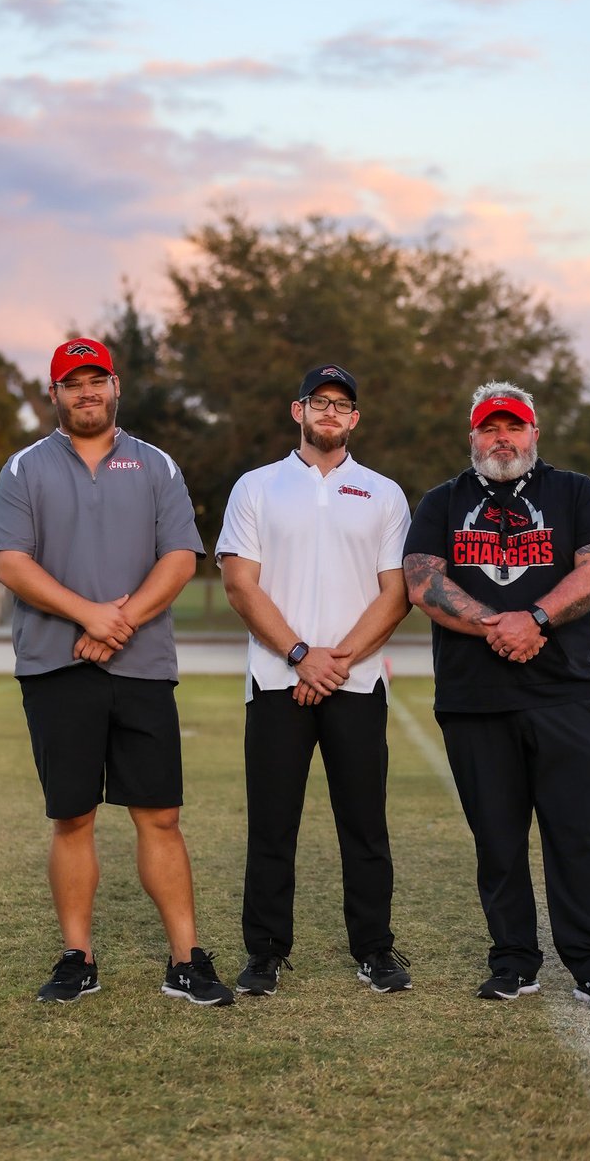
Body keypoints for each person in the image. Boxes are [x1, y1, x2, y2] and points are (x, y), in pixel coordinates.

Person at [0, 337, 233, 1007]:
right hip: (55, 667)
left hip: (143, 667)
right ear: (54, 393)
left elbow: (180, 556)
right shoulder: (24, 468)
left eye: (96, 381)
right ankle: (77, 957)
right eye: (72, 383)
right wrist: (90, 615)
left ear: (115, 385)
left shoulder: (156, 465)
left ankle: (186, 959)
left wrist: (118, 623)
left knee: (161, 816)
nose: (86, 392)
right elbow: (10, 562)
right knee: (73, 817)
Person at [403, 380, 590, 1012]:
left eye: (513, 427)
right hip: (474, 700)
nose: (501, 438)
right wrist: (496, 626)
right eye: (488, 428)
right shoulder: (442, 501)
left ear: (535, 433)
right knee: (497, 840)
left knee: (575, 835)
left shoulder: (575, 491)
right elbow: (423, 583)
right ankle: (513, 961)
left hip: (564, 695)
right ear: (472, 436)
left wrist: (532, 618)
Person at [216, 364, 413, 996]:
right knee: (273, 824)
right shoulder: (257, 486)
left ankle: (375, 950)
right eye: (319, 402)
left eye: (343, 405)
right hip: (277, 680)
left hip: (354, 684)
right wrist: (301, 655)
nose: (331, 413)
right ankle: (266, 952)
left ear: (355, 419)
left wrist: (334, 662)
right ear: (297, 410)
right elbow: (239, 584)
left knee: (364, 825)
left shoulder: (384, 493)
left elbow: (396, 593)